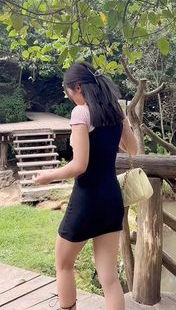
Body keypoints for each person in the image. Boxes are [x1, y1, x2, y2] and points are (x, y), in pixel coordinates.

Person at [35, 62, 138, 310]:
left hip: (86, 200)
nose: (70, 97)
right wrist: (117, 127)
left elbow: (79, 166)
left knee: (63, 264)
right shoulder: (115, 111)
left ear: (78, 87)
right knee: (110, 278)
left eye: (69, 91)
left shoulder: (81, 113)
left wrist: (47, 176)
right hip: (111, 199)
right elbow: (132, 149)